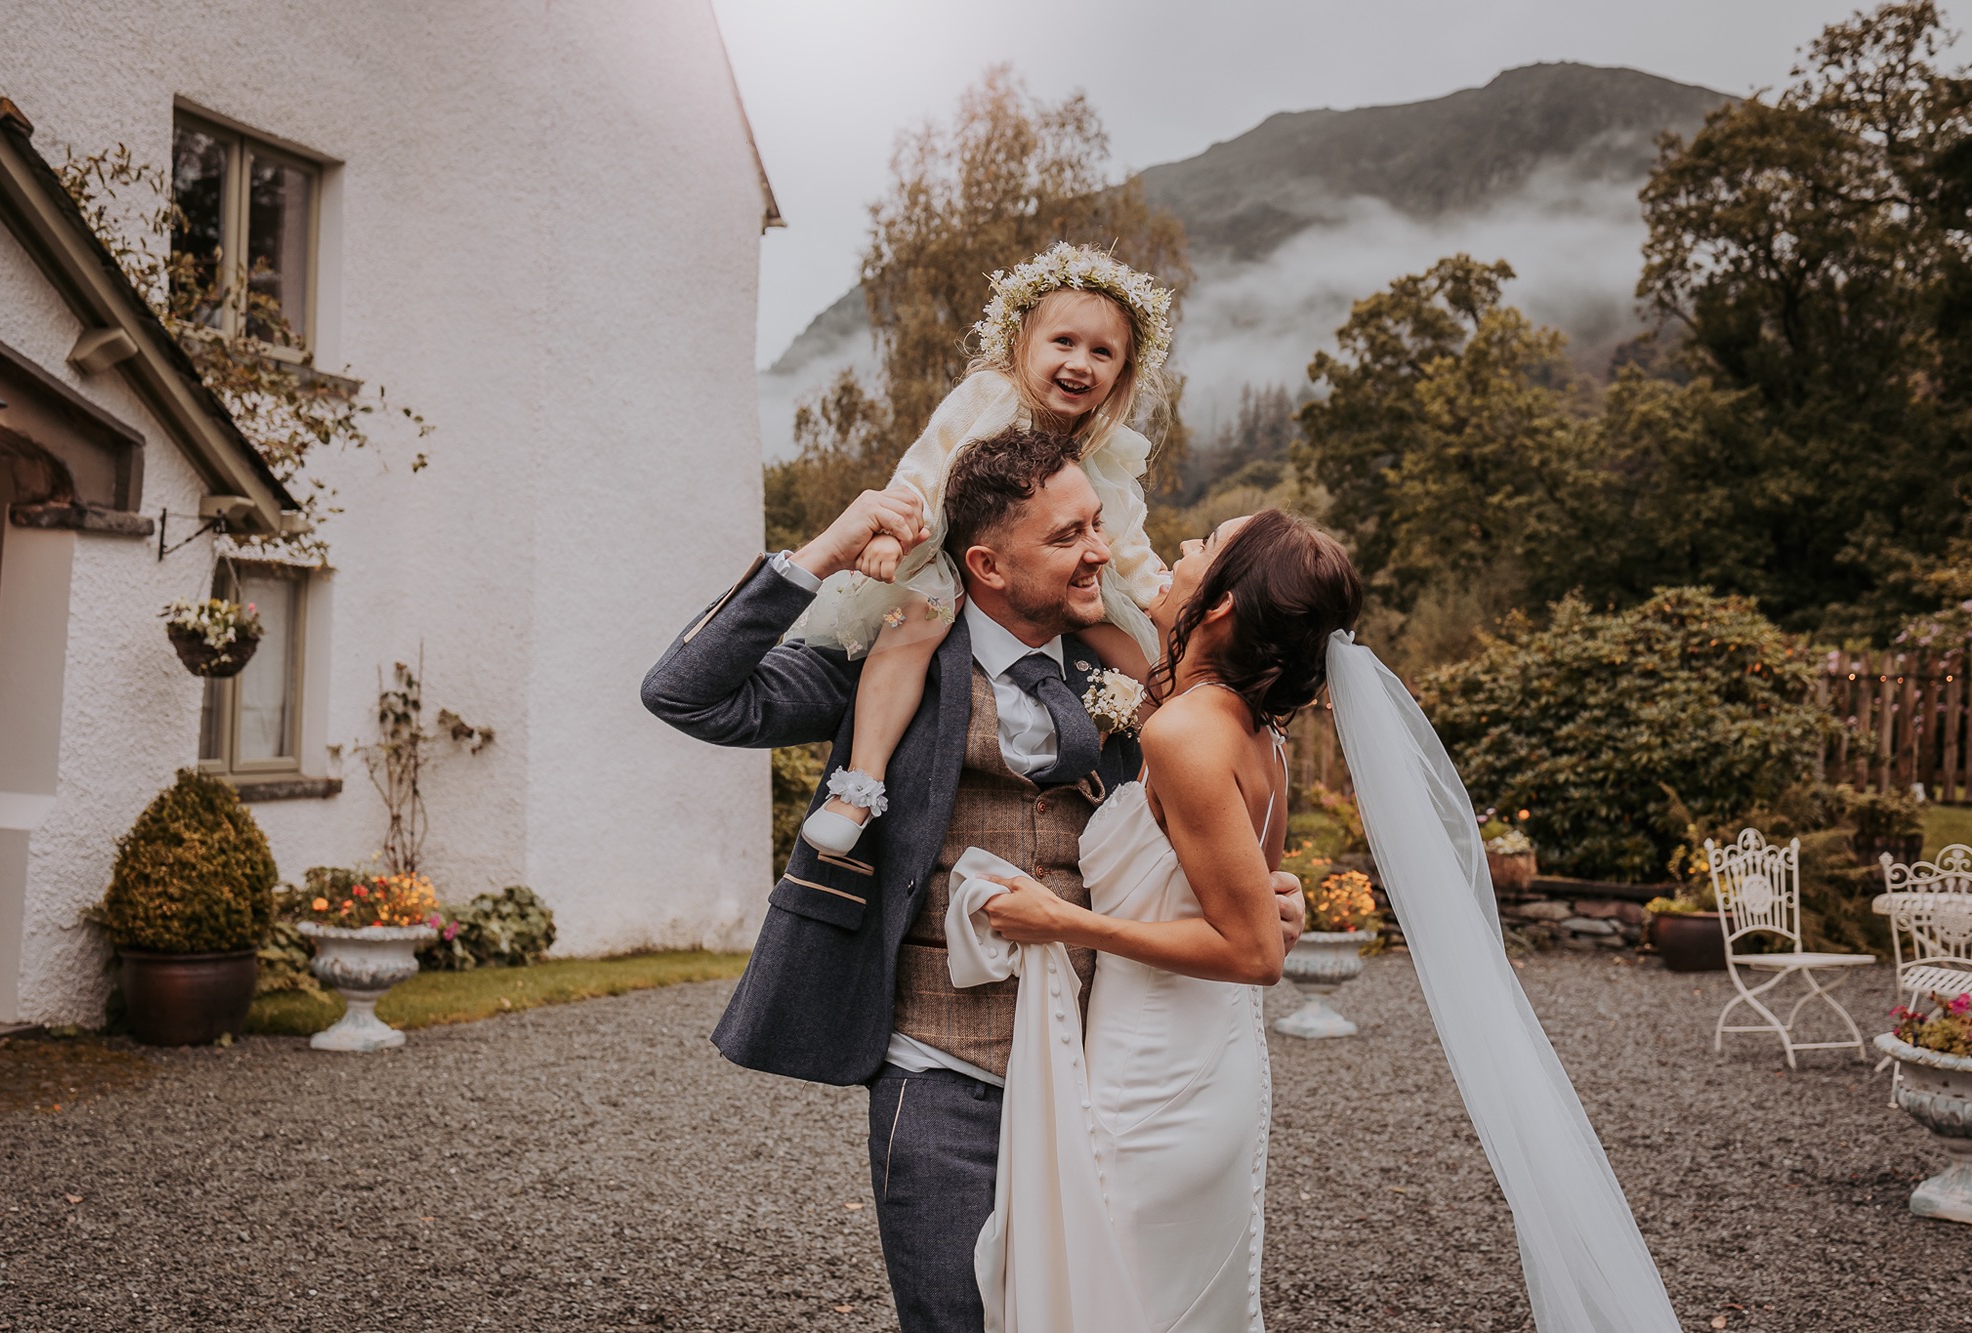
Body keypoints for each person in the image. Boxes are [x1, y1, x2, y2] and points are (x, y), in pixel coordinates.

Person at [638, 428, 1305, 1333]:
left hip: (1100, 1076)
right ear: (987, 563)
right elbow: (687, 693)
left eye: (1097, 524)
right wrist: (827, 549)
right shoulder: (889, 648)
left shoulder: (1126, 668)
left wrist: (1261, 892)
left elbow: (1202, 814)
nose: (1101, 553)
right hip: (941, 1066)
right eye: (1068, 536)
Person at [958, 510, 1685, 1333]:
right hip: (1202, 1058)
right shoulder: (1251, 729)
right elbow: (1244, 896)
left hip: (1157, 1075)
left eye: (1203, 547)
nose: (1180, 552)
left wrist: (1063, 922)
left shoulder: (1188, 732)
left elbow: (1255, 951)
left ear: (1225, 603)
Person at [793, 242, 1174, 856]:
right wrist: (891, 531)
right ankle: (858, 785)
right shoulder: (990, 396)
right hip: (940, 552)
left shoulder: (1100, 446)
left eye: (1103, 352)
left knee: (1145, 660)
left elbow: (1119, 533)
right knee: (914, 622)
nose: (1081, 363)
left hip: (1054, 574)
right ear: (1021, 344)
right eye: (1064, 343)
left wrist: (1159, 591)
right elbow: (924, 467)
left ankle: (1175, 791)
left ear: (1121, 373)